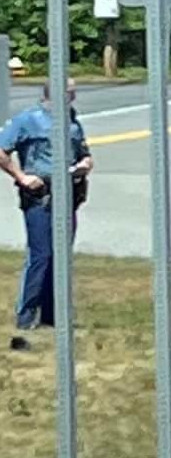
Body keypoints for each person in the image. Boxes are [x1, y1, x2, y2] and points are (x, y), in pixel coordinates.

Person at [0, 79, 92, 351]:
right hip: (41, 195)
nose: (74, 93)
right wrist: (21, 176)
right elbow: (2, 150)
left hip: (68, 193)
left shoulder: (73, 121)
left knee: (61, 256)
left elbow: (84, 152)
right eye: (71, 89)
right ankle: (26, 315)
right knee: (41, 254)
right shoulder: (29, 120)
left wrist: (85, 164)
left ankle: (54, 316)